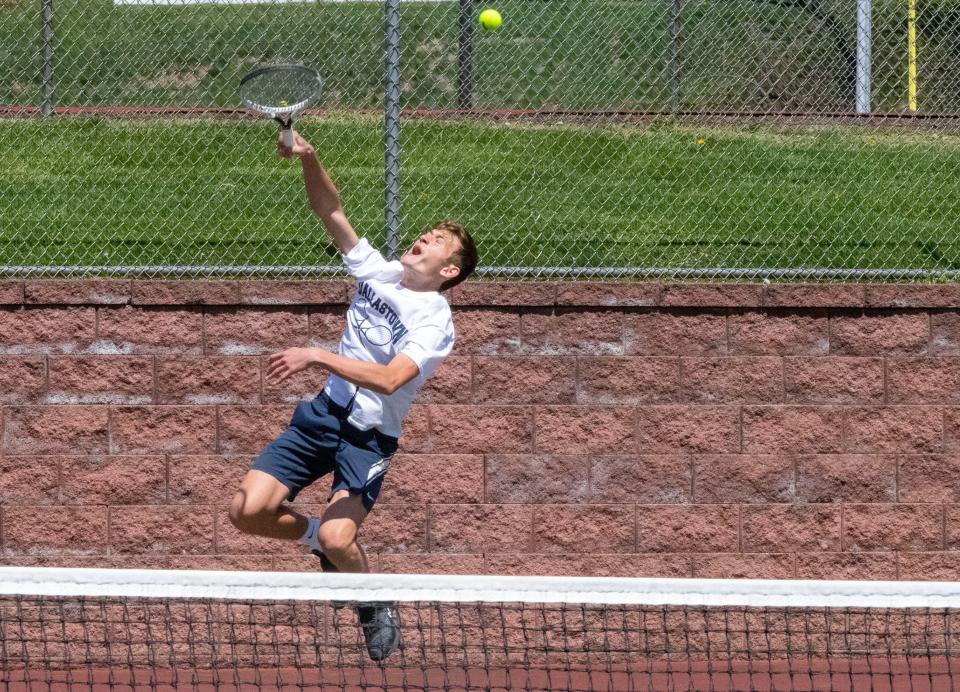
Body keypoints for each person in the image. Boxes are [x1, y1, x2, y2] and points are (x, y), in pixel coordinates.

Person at [228, 130, 478, 661]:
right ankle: (317, 541)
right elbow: (331, 212)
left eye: (436, 241)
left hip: (366, 438)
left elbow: (390, 380)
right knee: (247, 511)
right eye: (426, 233)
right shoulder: (379, 272)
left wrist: (318, 354)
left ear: (449, 270)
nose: (423, 239)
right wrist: (309, 158)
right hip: (321, 418)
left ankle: (370, 601)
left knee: (346, 542)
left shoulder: (435, 324)